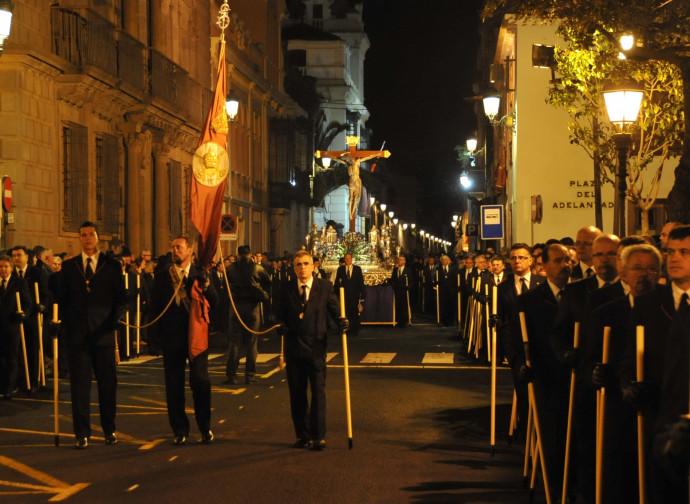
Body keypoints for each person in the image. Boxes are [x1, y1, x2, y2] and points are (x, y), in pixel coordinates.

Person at [54, 221, 127, 449]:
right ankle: (82, 433)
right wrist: (60, 322)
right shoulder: (70, 267)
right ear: (79, 239)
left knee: (107, 385)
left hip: (103, 334)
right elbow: (61, 300)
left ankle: (109, 430)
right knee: (80, 387)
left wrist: (116, 318)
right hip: (78, 336)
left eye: (91, 234)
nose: (87, 238)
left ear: (98, 238)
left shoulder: (111, 266)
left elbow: (122, 298)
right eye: (83, 234)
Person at [274, 250, 347, 450]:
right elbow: (278, 314)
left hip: (316, 348)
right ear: (294, 268)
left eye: (306, 264)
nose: (303, 268)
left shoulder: (324, 287)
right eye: (299, 264)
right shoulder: (286, 288)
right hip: (294, 348)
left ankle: (318, 436)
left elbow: (335, 311)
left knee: (318, 393)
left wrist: (341, 320)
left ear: (314, 266)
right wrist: (280, 324)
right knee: (297, 395)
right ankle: (302, 435)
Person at [149, 237, 218, 445]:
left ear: (190, 250)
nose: (174, 251)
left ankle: (205, 427)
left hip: (196, 338)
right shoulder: (163, 277)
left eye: (178, 247)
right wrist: (153, 338)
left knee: (201, 382)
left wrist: (206, 287)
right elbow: (154, 308)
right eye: (172, 247)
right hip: (172, 339)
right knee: (173, 386)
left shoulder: (201, 273)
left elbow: (216, 302)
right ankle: (179, 429)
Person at [516, 243, 572, 498]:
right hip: (546, 376)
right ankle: (552, 485)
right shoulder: (531, 300)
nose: (565, 266)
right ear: (545, 266)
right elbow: (520, 339)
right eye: (559, 261)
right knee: (551, 435)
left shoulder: (579, 295)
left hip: (574, 375)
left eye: (569, 260)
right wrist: (521, 364)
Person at [225, 245, 270, 385]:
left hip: (236, 307)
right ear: (250, 254)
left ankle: (231, 376)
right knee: (252, 343)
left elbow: (225, 284)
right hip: (252, 307)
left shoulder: (230, 268)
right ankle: (250, 376)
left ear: (238, 255)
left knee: (234, 343)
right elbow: (268, 282)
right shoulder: (257, 268)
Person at [0, 254, 33, 399]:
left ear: (11, 268)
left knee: (11, 357)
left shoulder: (19, 283)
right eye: (0, 267)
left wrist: (23, 314)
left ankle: (9, 387)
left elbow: (28, 303)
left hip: (12, 326)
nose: (3, 269)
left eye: (6, 266)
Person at [334, 253, 365, 336]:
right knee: (346, 313)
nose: (347, 260)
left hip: (354, 295)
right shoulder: (340, 269)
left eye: (349, 258)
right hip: (344, 296)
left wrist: (363, 295)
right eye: (346, 258)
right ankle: (346, 329)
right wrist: (338, 292)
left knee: (354, 313)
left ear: (352, 259)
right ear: (344, 259)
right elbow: (337, 282)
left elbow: (360, 282)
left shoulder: (357, 269)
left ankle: (354, 330)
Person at [390, 255, 412, 328]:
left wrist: (408, 286)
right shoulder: (396, 270)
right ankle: (399, 321)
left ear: (404, 262)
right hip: (397, 290)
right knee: (398, 305)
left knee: (404, 306)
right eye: (399, 260)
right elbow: (393, 278)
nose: (399, 261)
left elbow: (412, 280)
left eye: (401, 260)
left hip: (404, 290)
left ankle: (404, 321)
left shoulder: (408, 270)